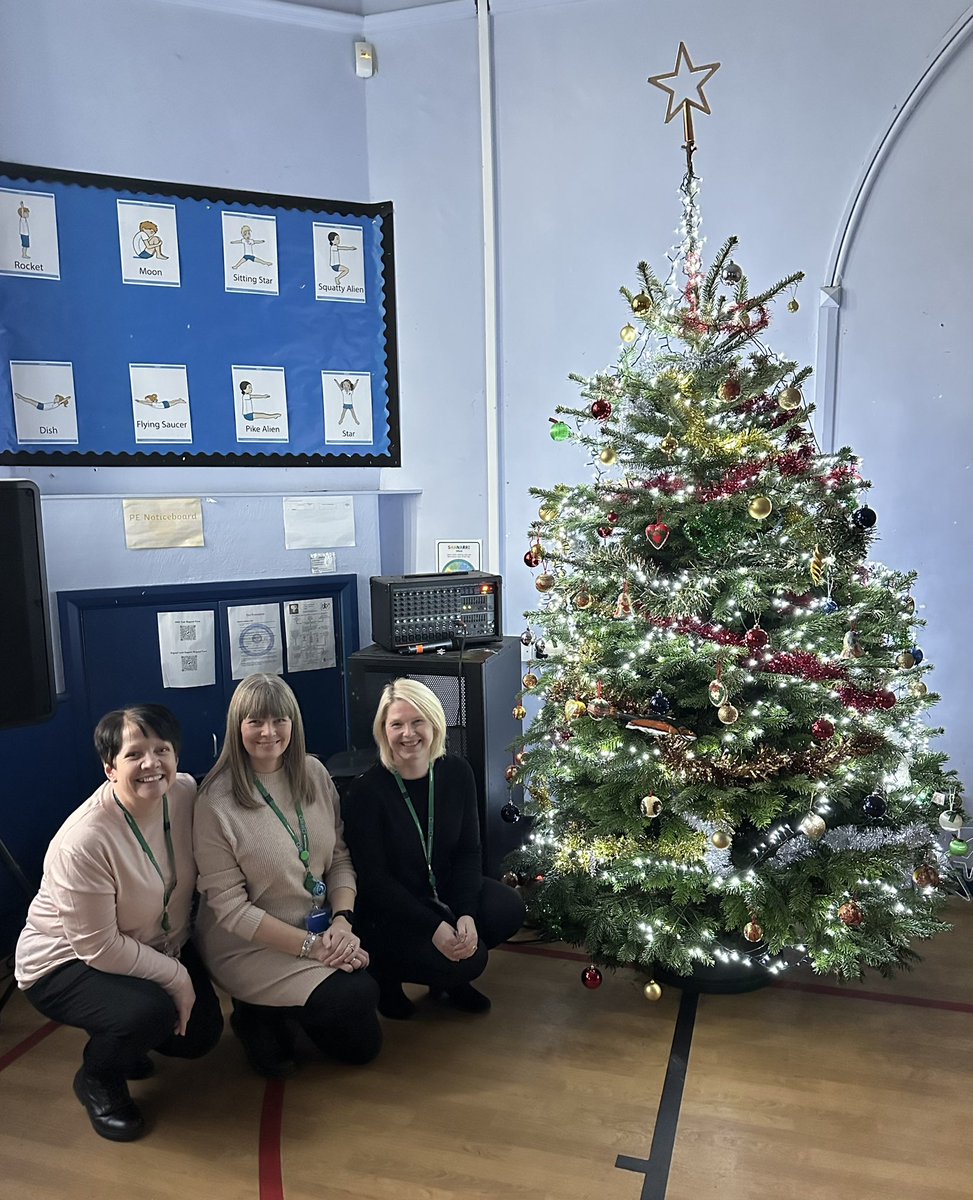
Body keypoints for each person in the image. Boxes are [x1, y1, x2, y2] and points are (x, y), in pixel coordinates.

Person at [14, 706, 223, 1143]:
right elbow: (100, 949)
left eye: (161, 750)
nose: (152, 764)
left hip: (152, 942)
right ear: (110, 768)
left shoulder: (184, 792)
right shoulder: (84, 841)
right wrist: (178, 978)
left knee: (198, 1037)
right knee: (150, 1012)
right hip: (66, 960)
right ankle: (97, 1080)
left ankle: (123, 1035)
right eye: (135, 755)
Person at [194, 674, 381, 1079]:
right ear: (237, 727)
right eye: (255, 722)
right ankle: (255, 1014)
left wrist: (342, 922)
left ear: (293, 724)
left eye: (279, 720)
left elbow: (339, 859)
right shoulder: (215, 801)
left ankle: (290, 1008)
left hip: (318, 929)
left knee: (363, 1049)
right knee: (357, 992)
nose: (268, 732)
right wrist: (315, 948)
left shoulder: (313, 772)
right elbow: (231, 911)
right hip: (247, 944)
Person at [344, 679, 525, 1019]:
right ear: (383, 730)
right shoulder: (366, 791)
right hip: (391, 912)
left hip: (443, 892)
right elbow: (374, 882)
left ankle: (447, 980)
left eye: (417, 722)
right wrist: (434, 926)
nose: (407, 734)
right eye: (396, 724)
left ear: (434, 725)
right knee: (471, 960)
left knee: (507, 909)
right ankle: (388, 979)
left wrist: (466, 913)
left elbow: (469, 852)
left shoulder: (457, 772)